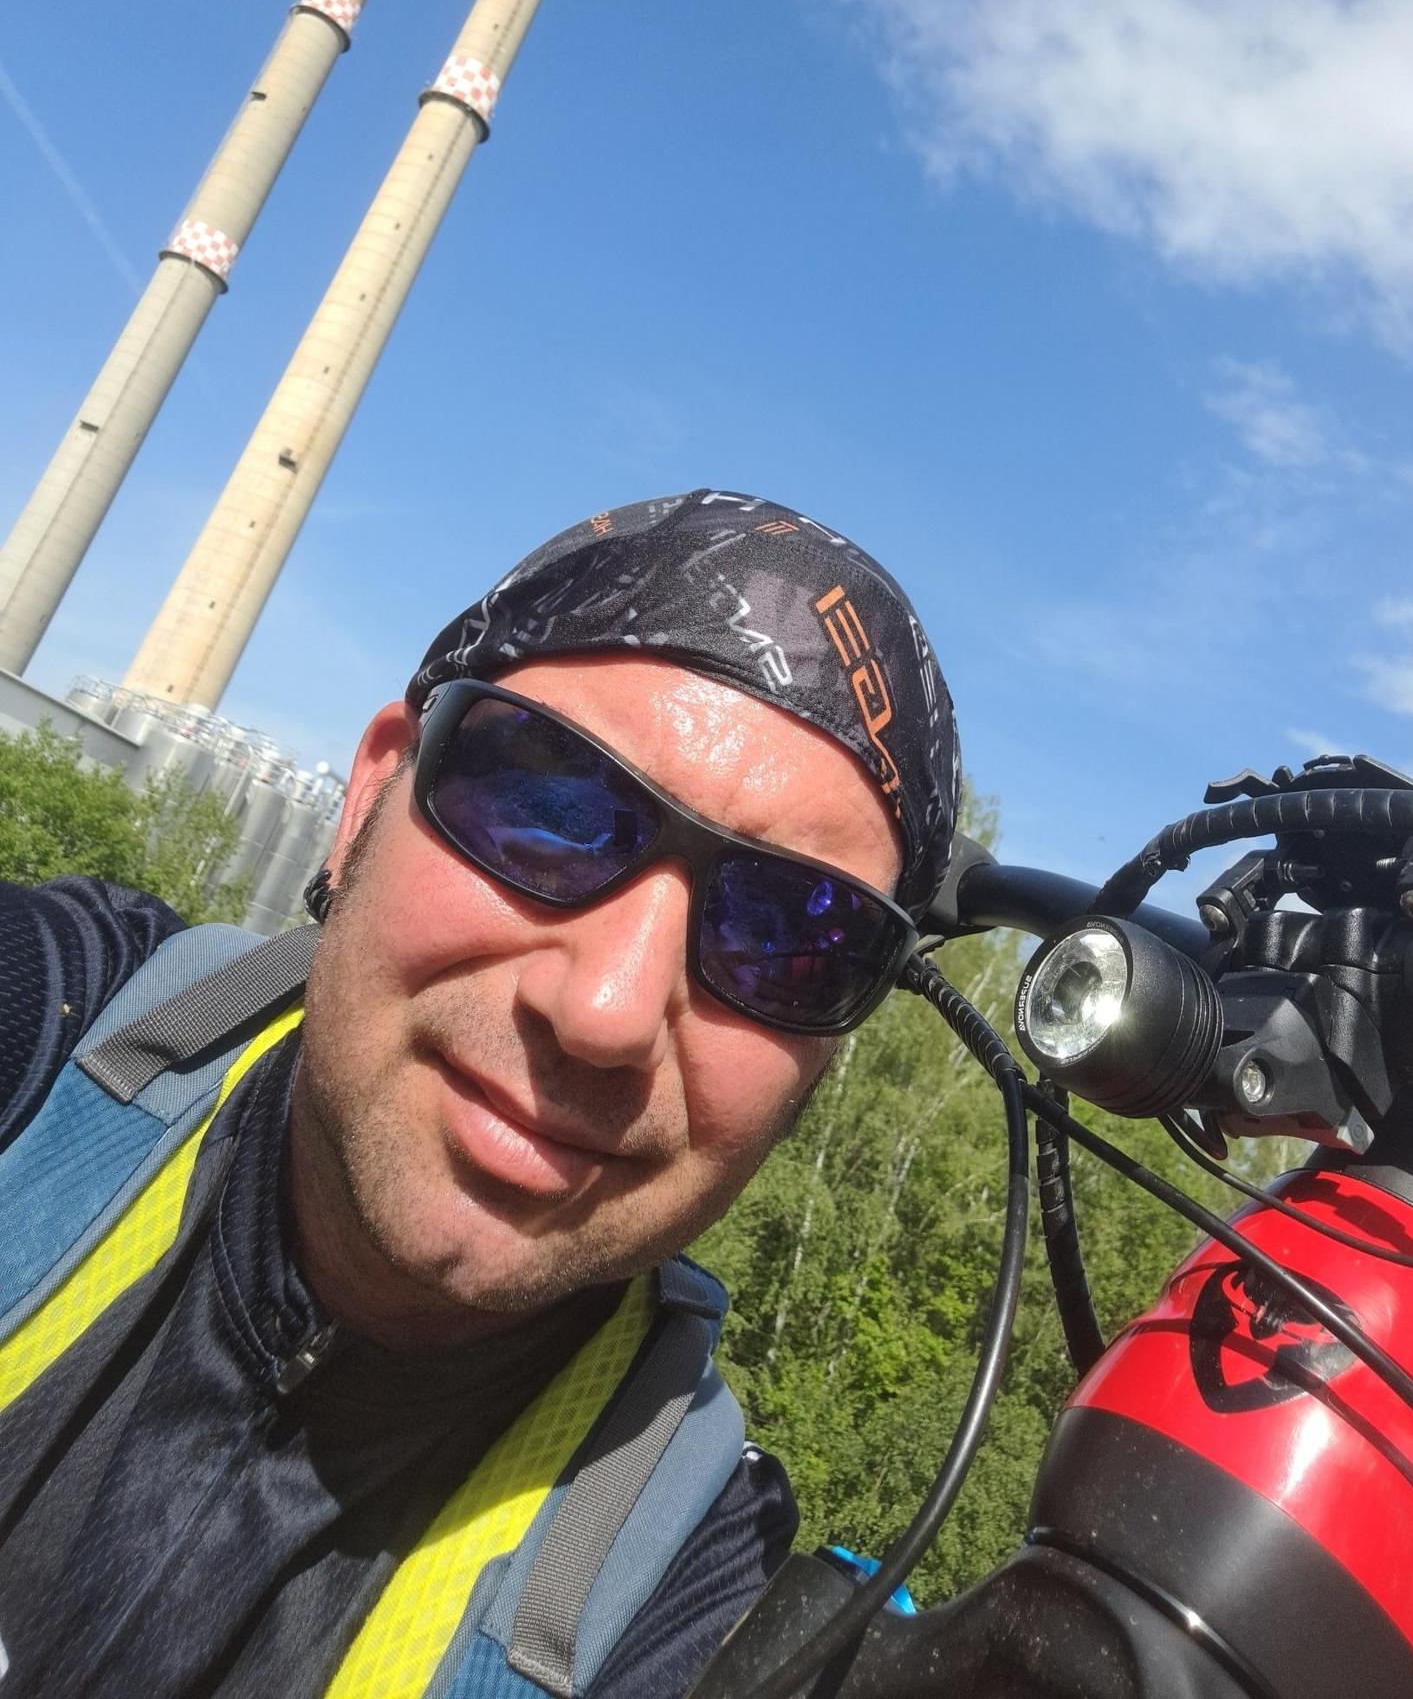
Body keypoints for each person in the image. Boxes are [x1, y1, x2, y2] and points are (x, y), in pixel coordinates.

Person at [0, 487, 963, 1699]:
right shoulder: (53, 1018)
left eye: (789, 938)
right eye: (548, 805)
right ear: (368, 798)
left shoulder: (683, 1587)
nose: (607, 1009)